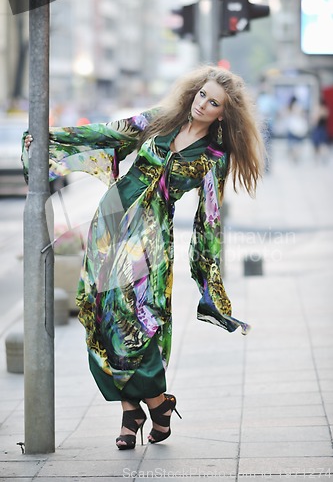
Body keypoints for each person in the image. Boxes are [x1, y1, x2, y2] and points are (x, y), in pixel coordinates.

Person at [23, 65, 265, 450]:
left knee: (140, 319)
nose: (203, 104)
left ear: (225, 113)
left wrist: (209, 281)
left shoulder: (215, 156)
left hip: (151, 235)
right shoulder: (160, 120)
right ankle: (133, 412)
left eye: (213, 102)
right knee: (100, 311)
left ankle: (155, 400)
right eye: (202, 94)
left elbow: (210, 218)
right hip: (112, 218)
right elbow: (110, 132)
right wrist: (51, 138)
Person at [286, 95, 308, 163]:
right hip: (296, 128)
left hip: (294, 128)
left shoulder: (291, 108)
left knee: (294, 145)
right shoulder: (298, 106)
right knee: (296, 145)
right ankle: (294, 157)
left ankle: (294, 157)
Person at [310, 96, 330, 163]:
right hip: (323, 129)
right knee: (323, 144)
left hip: (318, 129)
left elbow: (315, 121)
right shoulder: (325, 110)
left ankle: (317, 158)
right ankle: (323, 158)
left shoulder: (318, 110)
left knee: (317, 145)